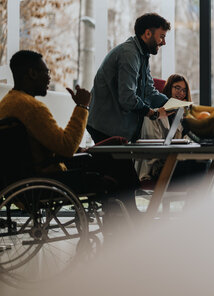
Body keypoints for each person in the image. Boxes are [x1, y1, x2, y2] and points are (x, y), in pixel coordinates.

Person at [0, 50, 141, 215]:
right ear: (32, 73)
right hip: (49, 179)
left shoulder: (8, 104)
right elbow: (66, 147)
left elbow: (45, 143)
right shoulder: (32, 108)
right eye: (47, 72)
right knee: (118, 156)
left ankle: (124, 214)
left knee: (113, 149)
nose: (49, 78)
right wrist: (82, 107)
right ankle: (129, 213)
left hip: (21, 180)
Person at [87, 13, 171, 143]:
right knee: (121, 164)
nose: (164, 42)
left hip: (116, 126)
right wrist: (152, 113)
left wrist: (170, 104)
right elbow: (127, 98)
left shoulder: (142, 54)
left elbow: (149, 90)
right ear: (148, 33)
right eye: (161, 37)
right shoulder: (129, 54)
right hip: (106, 127)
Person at [137, 74, 192, 181]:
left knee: (203, 163)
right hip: (155, 167)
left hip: (173, 161)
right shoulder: (153, 115)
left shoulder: (180, 117)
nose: (181, 93)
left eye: (184, 90)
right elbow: (153, 151)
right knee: (197, 168)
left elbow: (183, 143)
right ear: (169, 88)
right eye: (177, 88)